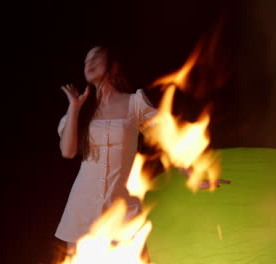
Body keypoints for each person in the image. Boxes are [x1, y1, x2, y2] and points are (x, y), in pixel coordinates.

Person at [55, 46, 229, 259]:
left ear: (112, 65)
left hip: (122, 207)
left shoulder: (134, 103)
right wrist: (74, 106)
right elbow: (68, 151)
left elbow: (166, 137)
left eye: (96, 57)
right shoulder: (80, 112)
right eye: (86, 60)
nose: (89, 63)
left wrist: (191, 174)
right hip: (82, 207)